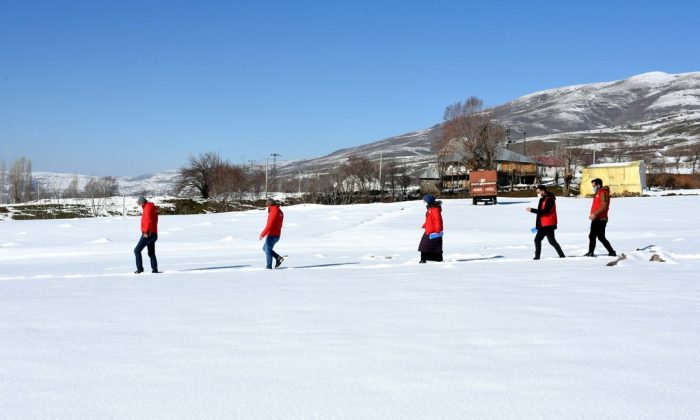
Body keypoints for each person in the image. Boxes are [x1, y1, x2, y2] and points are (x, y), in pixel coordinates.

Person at [526, 185, 565, 260]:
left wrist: (532, 210)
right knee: (552, 242)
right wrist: (538, 225)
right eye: (537, 192)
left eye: (539, 192)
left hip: (548, 224)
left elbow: (545, 212)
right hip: (544, 224)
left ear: (543, 191)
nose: (538, 193)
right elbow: (540, 213)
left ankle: (537, 257)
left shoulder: (549, 199)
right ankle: (562, 255)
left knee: (537, 240)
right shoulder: (542, 199)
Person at [586, 178, 617, 257]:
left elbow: (604, 206)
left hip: (600, 218)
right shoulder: (598, 192)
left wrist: (594, 214)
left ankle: (591, 252)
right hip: (597, 218)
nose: (593, 187)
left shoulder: (603, 192)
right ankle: (611, 252)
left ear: (598, 185)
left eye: (594, 185)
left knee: (592, 235)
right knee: (600, 237)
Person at [134, 196, 159, 273]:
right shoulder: (152, 207)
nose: (139, 205)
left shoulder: (147, 208)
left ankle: (140, 269)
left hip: (148, 233)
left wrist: (145, 232)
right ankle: (154, 269)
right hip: (153, 233)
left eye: (139, 204)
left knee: (137, 250)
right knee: (151, 252)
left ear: (142, 202)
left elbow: (148, 220)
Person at [259, 198, 284, 269]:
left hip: (272, 234)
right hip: (277, 234)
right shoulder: (280, 211)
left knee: (267, 249)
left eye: (267, 206)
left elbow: (269, 225)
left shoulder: (273, 211)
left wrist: (262, 234)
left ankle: (268, 267)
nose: (267, 208)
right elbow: (280, 225)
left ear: (269, 205)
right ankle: (278, 257)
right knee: (265, 248)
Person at [418, 194, 443, 263]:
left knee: (433, 247)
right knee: (424, 246)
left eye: (425, 201)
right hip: (428, 230)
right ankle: (424, 259)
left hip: (434, 232)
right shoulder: (430, 208)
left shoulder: (435, 209)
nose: (424, 202)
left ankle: (427, 260)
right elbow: (429, 219)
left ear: (429, 201)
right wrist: (425, 224)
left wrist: (438, 229)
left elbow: (438, 220)